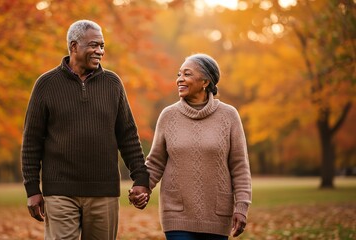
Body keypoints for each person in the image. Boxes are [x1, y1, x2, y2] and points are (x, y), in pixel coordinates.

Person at [21, 19, 150, 240]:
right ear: (73, 46)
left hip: (104, 193)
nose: (99, 51)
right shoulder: (46, 85)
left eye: (102, 46)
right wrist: (33, 189)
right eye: (93, 45)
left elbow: (128, 136)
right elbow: (32, 141)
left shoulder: (113, 84)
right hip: (60, 192)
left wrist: (141, 178)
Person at [131, 53, 252, 239]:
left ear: (205, 81)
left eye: (187, 74)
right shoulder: (168, 116)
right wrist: (142, 188)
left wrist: (242, 206)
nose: (180, 79)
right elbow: (155, 162)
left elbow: (239, 166)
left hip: (216, 214)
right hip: (176, 213)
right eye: (179, 74)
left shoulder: (229, 116)